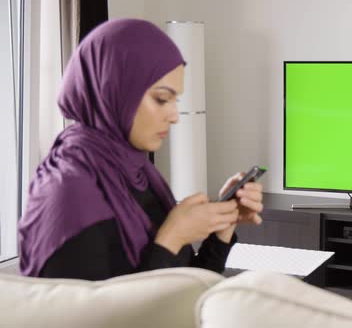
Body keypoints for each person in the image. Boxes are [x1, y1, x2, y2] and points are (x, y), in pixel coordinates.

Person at [18, 19, 263, 280]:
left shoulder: (140, 174)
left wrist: (223, 227)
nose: (174, 116)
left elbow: (185, 286)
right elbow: (94, 316)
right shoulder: (67, 194)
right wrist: (173, 236)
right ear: (114, 89)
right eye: (161, 99)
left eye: (175, 100)